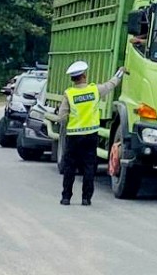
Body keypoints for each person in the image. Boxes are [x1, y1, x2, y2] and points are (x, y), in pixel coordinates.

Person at [58, 61, 125, 206]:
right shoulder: (94, 90)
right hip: (91, 135)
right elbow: (111, 84)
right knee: (89, 166)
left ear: (73, 78)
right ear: (84, 76)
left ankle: (66, 198)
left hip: (73, 136)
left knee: (69, 167)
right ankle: (86, 198)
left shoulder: (69, 94)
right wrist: (120, 72)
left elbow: (61, 117)